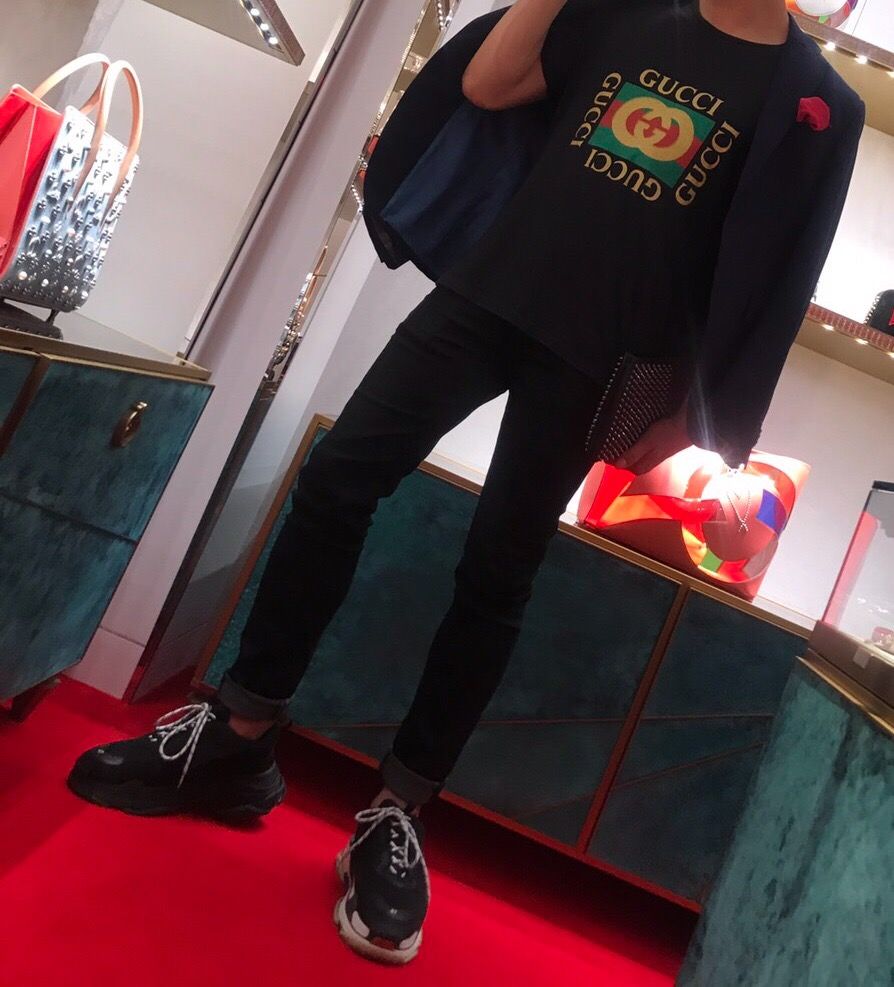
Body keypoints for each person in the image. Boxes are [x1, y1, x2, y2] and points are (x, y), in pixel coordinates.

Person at [68, 0, 864, 966]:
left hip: (603, 362)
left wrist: (704, 420)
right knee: (339, 475)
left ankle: (398, 810)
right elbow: (490, 85)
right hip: (488, 293)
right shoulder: (621, 12)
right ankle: (239, 733)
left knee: (499, 567)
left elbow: (782, 276)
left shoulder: (817, 102)